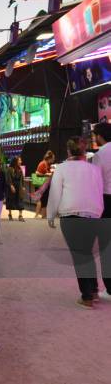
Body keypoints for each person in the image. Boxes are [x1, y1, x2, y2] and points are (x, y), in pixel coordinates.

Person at [47, 137, 104, 309]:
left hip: (71, 214)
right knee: (87, 253)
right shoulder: (94, 169)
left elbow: (55, 193)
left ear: (68, 150)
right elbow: (98, 190)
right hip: (93, 214)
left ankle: (86, 296)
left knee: (80, 256)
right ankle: (93, 290)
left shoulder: (62, 168)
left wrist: (50, 214)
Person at [92, 122, 111, 301]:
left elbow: (96, 184)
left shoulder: (100, 155)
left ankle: (110, 289)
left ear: (99, 136)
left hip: (107, 200)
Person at [34, 150, 55, 219]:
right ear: (50, 158)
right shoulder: (43, 163)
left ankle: (43, 216)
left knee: (44, 201)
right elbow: (37, 173)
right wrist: (45, 174)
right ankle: (36, 216)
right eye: (53, 158)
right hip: (40, 184)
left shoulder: (47, 165)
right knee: (40, 200)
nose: (53, 160)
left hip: (43, 185)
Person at [6, 157, 26, 221]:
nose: (21, 161)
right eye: (19, 160)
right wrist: (11, 186)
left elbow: (22, 179)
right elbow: (8, 178)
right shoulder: (9, 169)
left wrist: (23, 186)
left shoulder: (20, 169)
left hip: (19, 187)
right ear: (16, 161)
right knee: (10, 200)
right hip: (11, 186)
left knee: (20, 200)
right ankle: (10, 214)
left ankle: (20, 215)